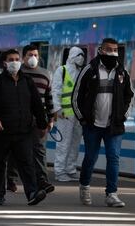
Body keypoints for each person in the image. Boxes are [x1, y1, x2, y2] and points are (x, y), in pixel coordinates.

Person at [72, 38, 134, 207]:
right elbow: (76, 96)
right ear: (101, 50)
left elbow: (129, 95)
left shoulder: (122, 72)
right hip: (92, 125)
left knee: (113, 158)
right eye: (108, 49)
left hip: (113, 125)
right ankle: (84, 187)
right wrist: (83, 119)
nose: (112, 52)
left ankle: (111, 194)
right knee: (90, 158)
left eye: (115, 49)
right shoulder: (89, 69)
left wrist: (123, 115)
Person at [0, 49, 48, 206]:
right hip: (1, 132)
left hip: (23, 131)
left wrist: (42, 123)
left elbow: (36, 104)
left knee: (26, 163)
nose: (15, 62)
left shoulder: (27, 81)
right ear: (5, 63)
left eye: (17, 59)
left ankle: (32, 192)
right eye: (11, 59)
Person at [9, 44, 55, 193]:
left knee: (39, 150)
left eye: (35, 55)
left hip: (39, 120)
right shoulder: (17, 73)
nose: (33, 58)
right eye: (29, 55)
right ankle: (11, 178)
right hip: (19, 119)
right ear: (23, 58)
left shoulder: (45, 74)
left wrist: (51, 118)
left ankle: (42, 180)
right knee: (16, 151)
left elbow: (49, 98)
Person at [51, 47, 85, 181]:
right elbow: (56, 90)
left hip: (78, 114)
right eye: (78, 55)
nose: (81, 58)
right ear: (72, 56)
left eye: (82, 55)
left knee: (75, 142)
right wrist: (57, 109)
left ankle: (70, 169)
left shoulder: (81, 72)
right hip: (65, 113)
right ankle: (60, 171)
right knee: (64, 143)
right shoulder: (62, 70)